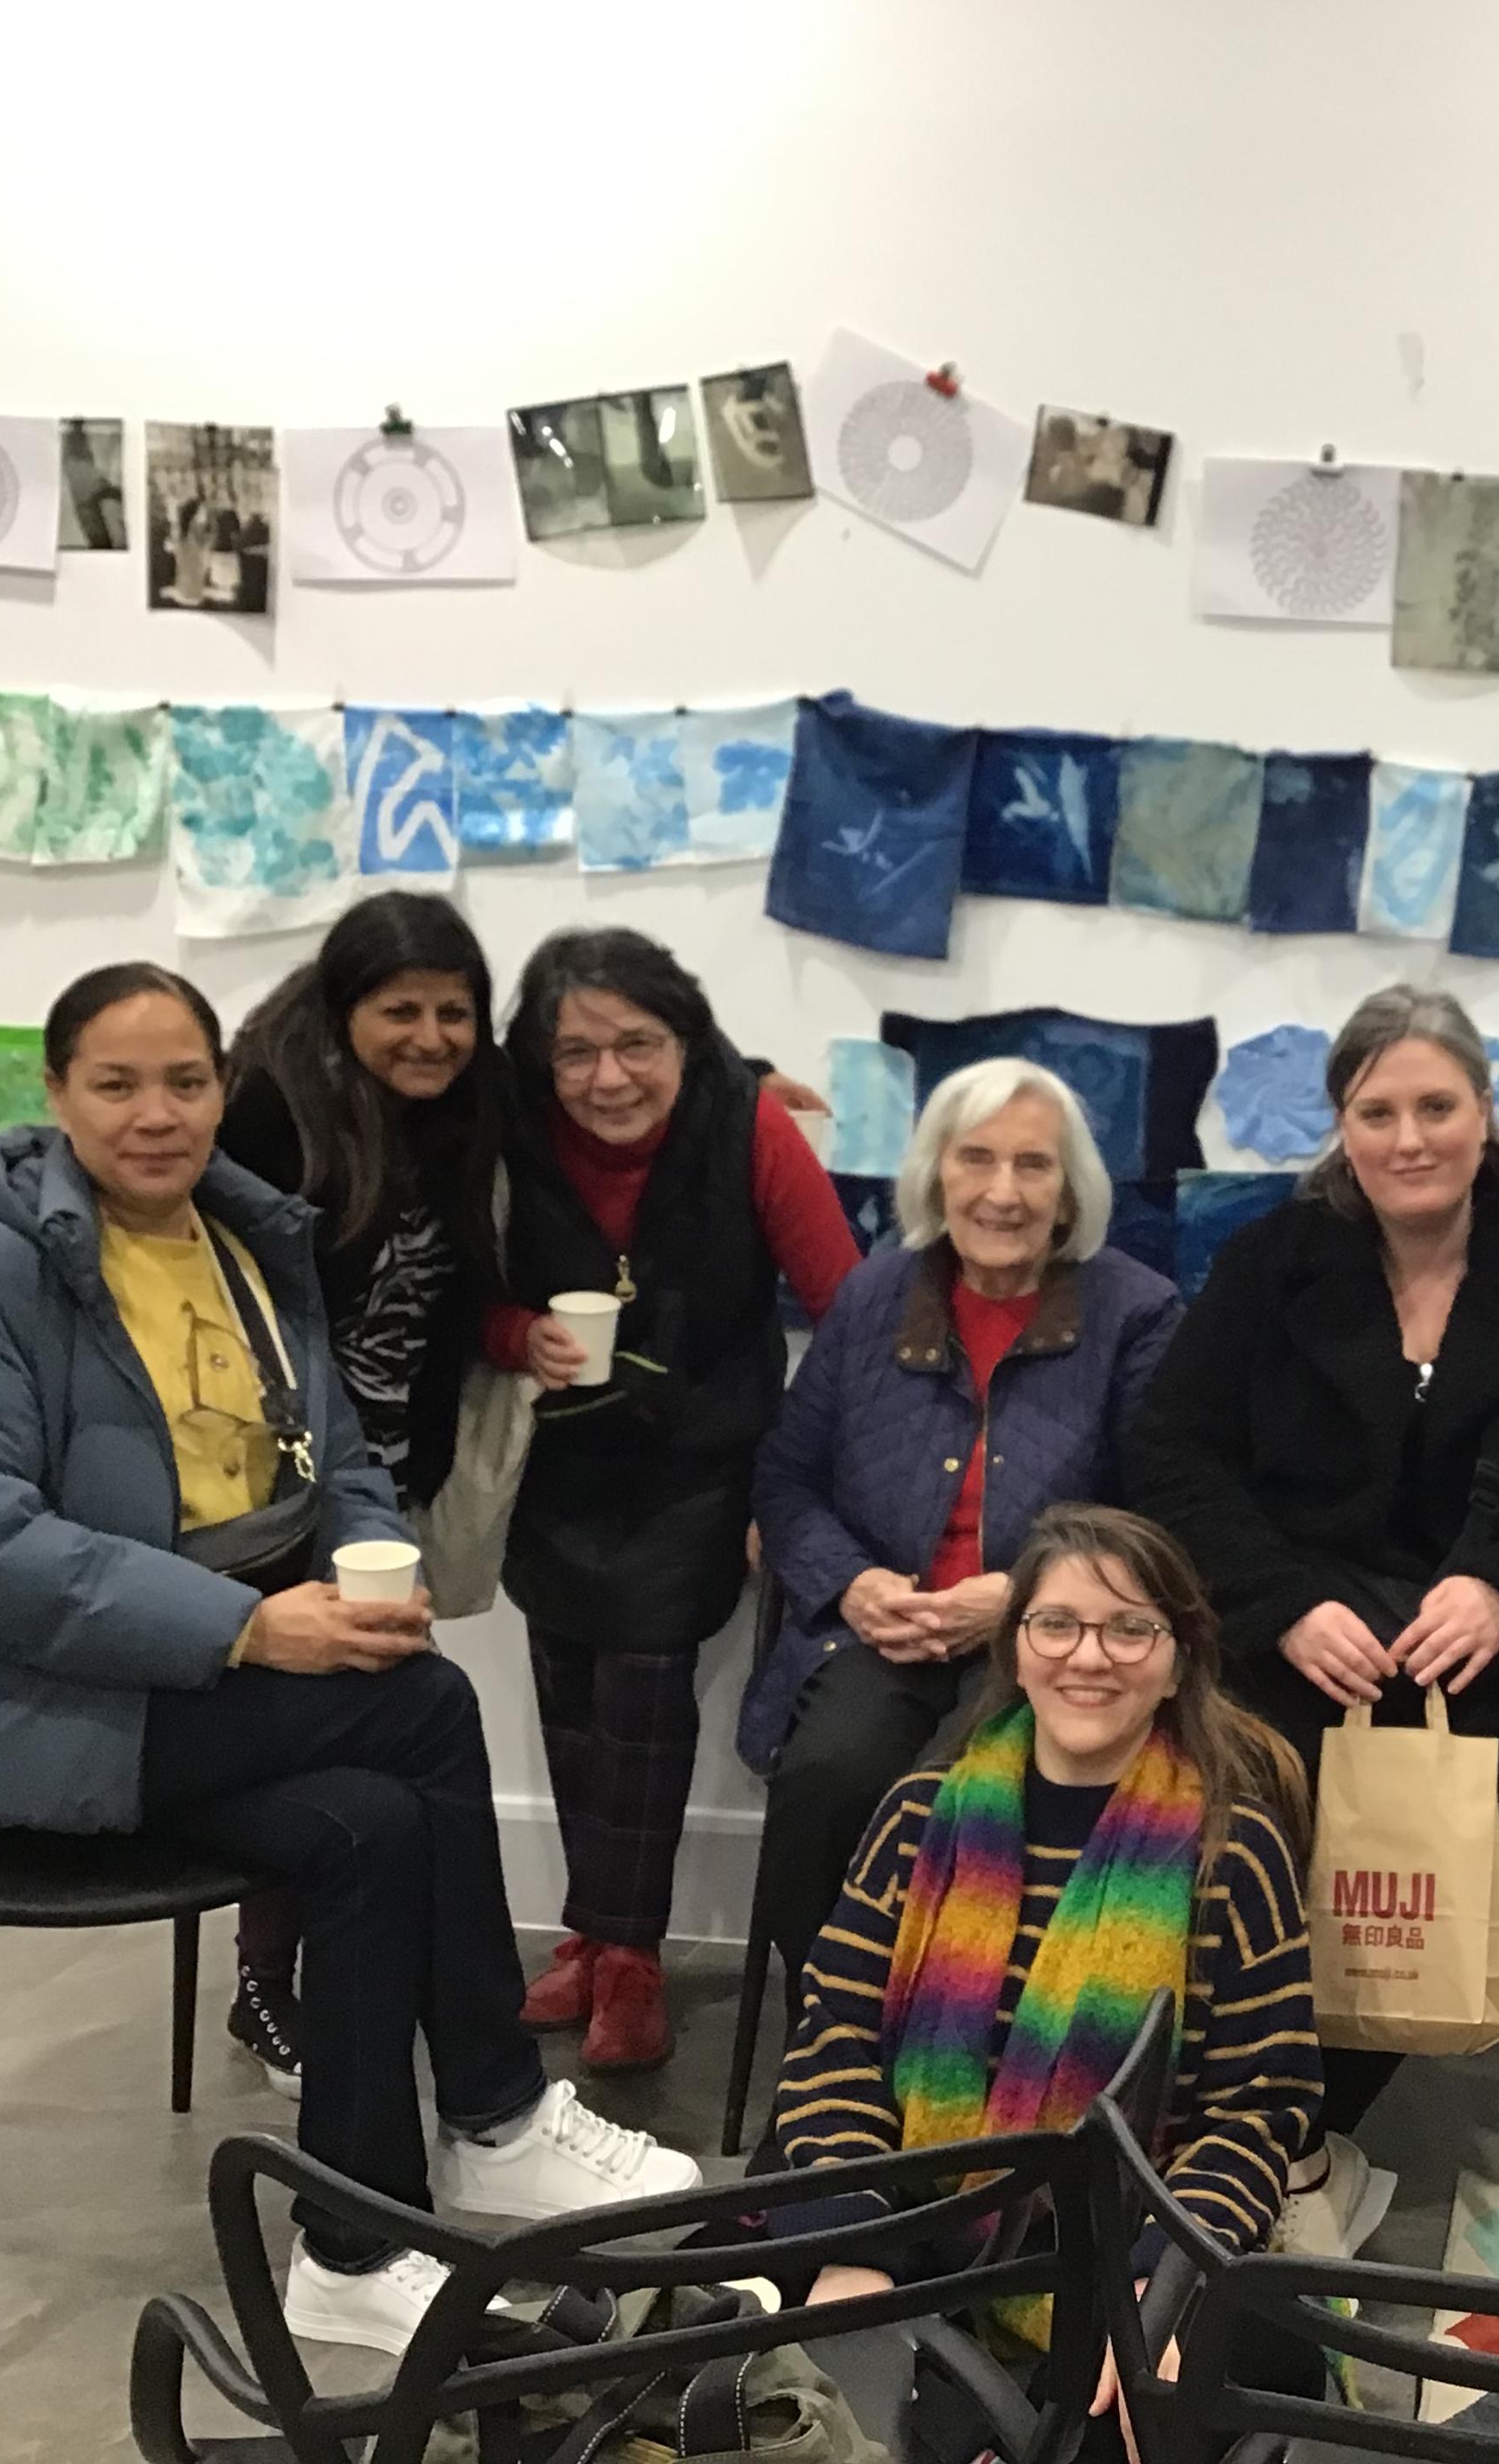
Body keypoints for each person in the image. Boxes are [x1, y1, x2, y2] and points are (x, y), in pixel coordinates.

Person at [0, 964, 697, 2359]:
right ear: (54, 1096)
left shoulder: (241, 1238)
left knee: (370, 1824)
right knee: (423, 1711)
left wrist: (370, 1562)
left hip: (174, 1688)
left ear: (226, 1089)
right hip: (6, 1702)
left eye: (185, 1081)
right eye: (116, 1083)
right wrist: (251, 1626)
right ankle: (491, 2113)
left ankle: (351, 2247)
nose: (156, 1114)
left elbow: (338, 1455)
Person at [1127, 983, 1499, 2250]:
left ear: (1488, 1114)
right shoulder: (1270, 1264)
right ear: (1341, 1126)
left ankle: (1281, 2142)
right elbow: (1172, 1458)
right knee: (1232, 1807)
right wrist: (1283, 1602)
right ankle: (1252, 2133)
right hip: (1304, 1653)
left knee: (1412, 1829)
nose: (1409, 1137)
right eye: (1376, 1110)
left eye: (1437, 1105)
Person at [766, 1503, 1322, 2433]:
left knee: (1184, 2402)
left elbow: (1257, 2109)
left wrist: (1157, 2282)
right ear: (1015, 1648)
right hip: (902, 2222)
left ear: (1179, 1655)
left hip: (1122, 2245)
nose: (1089, 1657)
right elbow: (836, 2040)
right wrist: (853, 2248)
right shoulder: (918, 1819)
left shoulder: (1235, 1850)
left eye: (1130, 1628)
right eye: (1057, 1624)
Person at [494, 929, 860, 2074]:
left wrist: (805, 1490)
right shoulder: (505, 1133)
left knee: (645, 1692)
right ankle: (593, 1933)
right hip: (553, 1462)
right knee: (564, 1689)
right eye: (577, 1054)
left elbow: (845, 1311)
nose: (609, 1079)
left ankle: (633, 1957)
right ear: (538, 1062)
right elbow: (458, 1286)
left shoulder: (745, 1124)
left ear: (685, 1040)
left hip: (703, 1460)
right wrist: (519, 1336)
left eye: (638, 1045)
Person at [745, 1058, 1182, 1985]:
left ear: (1070, 1192)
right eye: (976, 1159)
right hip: (879, 1637)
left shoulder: (1136, 1313)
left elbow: (1162, 1514)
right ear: (937, 1173)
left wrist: (1027, 1600)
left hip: (1060, 1647)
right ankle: (837, 2032)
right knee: (828, 1780)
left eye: (1033, 1166)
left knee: (960, 1796)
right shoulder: (875, 1296)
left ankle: (964, 2053)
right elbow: (785, 1480)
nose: (1002, 1192)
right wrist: (853, 1585)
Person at [214, 894, 515, 2096]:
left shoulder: (459, 1106)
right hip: (275, 1481)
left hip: (386, 1474)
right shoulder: (267, 1111)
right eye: (403, 1011)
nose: (434, 1035)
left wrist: (737, 1077)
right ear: (346, 1013)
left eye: (455, 1010)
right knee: (317, 1737)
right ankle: (264, 1985)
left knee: (387, 1728)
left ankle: (367, 1985)